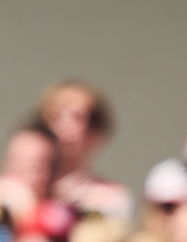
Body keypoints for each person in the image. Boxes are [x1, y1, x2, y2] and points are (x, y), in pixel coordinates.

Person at [34, 81, 132, 223]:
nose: (65, 126)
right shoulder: (17, 191)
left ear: (97, 131)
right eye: (56, 116)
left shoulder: (111, 198)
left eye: (77, 117)